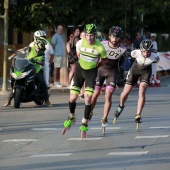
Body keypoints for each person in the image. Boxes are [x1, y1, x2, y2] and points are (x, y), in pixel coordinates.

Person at [62, 23, 107, 136]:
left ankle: (85, 122)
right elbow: (78, 54)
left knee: (87, 99)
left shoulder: (100, 47)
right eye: (87, 35)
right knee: (72, 98)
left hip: (91, 73)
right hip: (79, 71)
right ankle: (72, 116)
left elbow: (105, 60)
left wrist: (97, 65)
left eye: (91, 35)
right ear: (85, 35)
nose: (89, 38)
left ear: (95, 35)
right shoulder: (79, 43)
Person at [113, 39, 159, 124]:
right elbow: (129, 58)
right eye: (144, 52)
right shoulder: (135, 53)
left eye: (148, 52)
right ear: (141, 50)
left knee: (142, 90)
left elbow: (155, 61)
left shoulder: (155, 57)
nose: (146, 54)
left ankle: (138, 115)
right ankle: (121, 106)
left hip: (146, 71)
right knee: (126, 92)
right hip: (135, 70)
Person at [91, 26, 126, 127]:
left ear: (120, 38)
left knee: (109, 94)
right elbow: (96, 56)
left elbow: (121, 63)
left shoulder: (122, 49)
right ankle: (90, 111)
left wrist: (118, 74)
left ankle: (105, 117)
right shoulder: (102, 44)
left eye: (117, 37)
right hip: (101, 70)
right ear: (109, 36)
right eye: (113, 37)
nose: (115, 39)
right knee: (96, 93)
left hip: (112, 72)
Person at [4, 37, 52, 107]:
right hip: (26, 67)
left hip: (36, 69)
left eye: (40, 48)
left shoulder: (42, 53)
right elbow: (19, 52)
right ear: (35, 45)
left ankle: (47, 100)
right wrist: (12, 56)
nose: (38, 50)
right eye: (38, 48)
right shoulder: (29, 48)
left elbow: (43, 63)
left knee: (43, 83)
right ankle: (8, 100)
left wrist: (37, 61)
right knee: (17, 80)